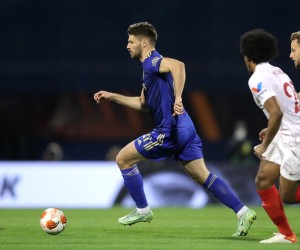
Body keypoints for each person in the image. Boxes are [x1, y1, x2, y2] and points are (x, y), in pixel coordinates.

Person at [94, 22, 256, 237]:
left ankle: (143, 210)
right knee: (202, 176)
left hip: (168, 131)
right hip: (185, 127)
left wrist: (179, 97)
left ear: (144, 43)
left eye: (131, 41)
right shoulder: (148, 69)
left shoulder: (153, 61)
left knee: (123, 159)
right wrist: (113, 96)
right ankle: (243, 212)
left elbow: (178, 65)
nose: (127, 45)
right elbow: (143, 103)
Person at [240, 28, 300, 244]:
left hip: (294, 139)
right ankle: (286, 234)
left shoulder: (257, 78)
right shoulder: (277, 71)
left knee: (288, 195)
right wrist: (271, 128)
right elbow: (288, 106)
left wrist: (264, 145)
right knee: (263, 180)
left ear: (248, 57)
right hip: (285, 133)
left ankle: (286, 234)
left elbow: (277, 111)